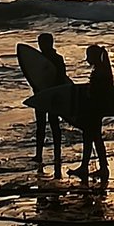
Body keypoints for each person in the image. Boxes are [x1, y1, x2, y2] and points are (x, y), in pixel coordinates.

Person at [70, 44, 113, 181]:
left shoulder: (100, 71)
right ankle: (95, 167)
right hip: (97, 109)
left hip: (94, 110)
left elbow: (96, 93)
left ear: (94, 57)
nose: (86, 59)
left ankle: (98, 168)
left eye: (88, 56)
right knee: (92, 138)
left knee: (92, 138)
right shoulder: (102, 69)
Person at [33, 32, 67, 171]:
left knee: (54, 125)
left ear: (50, 43)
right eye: (39, 43)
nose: (41, 46)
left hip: (53, 96)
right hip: (41, 95)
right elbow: (34, 76)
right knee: (40, 125)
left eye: (43, 43)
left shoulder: (57, 59)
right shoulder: (38, 59)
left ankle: (57, 154)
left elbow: (61, 78)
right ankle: (38, 155)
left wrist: (57, 94)